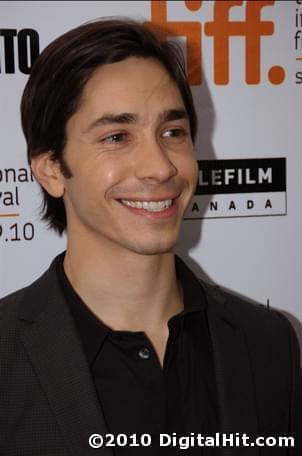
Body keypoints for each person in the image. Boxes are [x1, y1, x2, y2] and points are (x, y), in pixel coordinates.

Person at [0, 18, 301, 456]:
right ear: (50, 168)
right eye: (117, 136)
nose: (160, 167)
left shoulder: (268, 344)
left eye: (172, 132)